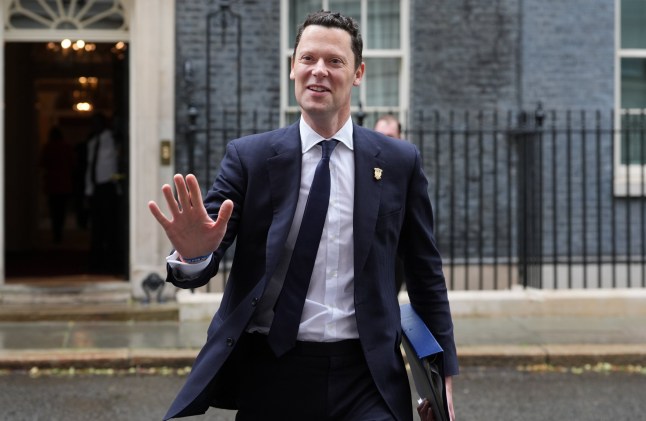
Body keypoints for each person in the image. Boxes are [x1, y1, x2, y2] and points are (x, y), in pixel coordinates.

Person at [149, 10, 457, 421]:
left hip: (367, 377)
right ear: (292, 67)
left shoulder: (399, 162)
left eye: (335, 61)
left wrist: (442, 381)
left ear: (359, 72)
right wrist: (192, 256)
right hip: (274, 370)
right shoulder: (250, 158)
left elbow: (426, 275)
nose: (319, 72)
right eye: (308, 59)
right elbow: (205, 250)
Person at [85, 112, 121, 273]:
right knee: (97, 228)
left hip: (109, 188)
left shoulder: (113, 140)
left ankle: (113, 264)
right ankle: (96, 264)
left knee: (110, 228)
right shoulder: (92, 142)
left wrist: (119, 184)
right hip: (96, 189)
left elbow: (119, 163)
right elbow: (90, 168)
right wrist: (88, 190)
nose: (94, 126)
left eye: (97, 122)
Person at [40, 126, 74, 243]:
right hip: (62, 182)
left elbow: (42, 163)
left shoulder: (49, 147)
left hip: (53, 183)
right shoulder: (65, 147)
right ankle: (58, 231)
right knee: (61, 209)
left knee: (54, 209)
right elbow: (73, 163)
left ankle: (57, 231)